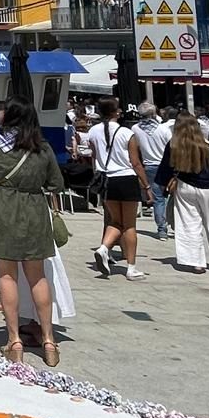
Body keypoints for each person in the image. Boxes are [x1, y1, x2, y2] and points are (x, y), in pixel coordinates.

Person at [0, 99, 66, 367]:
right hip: (34, 211)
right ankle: (49, 340)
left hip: (2, 210)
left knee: (7, 276)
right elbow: (56, 184)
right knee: (38, 277)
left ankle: (14, 340)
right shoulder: (42, 146)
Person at [154, 111, 209, 273]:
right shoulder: (208, 146)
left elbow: (165, 170)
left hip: (186, 187)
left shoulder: (174, 145)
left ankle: (196, 261)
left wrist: (162, 188)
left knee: (189, 224)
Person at [85, 99, 152, 281]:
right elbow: (135, 162)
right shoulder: (126, 133)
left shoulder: (93, 131)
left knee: (115, 221)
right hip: (126, 178)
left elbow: (95, 155)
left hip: (106, 180)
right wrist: (146, 186)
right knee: (129, 225)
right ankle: (131, 268)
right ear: (115, 112)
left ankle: (104, 247)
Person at [132, 106, 173, 240]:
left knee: (158, 199)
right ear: (154, 113)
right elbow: (171, 147)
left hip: (149, 165)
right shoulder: (163, 129)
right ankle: (168, 225)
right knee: (167, 196)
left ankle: (162, 229)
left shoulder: (135, 129)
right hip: (165, 165)